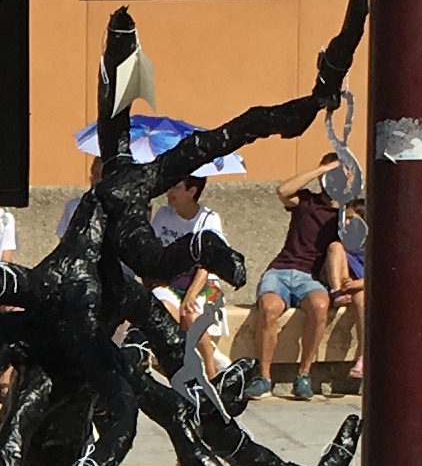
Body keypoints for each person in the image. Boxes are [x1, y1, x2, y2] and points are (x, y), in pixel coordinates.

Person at [245, 163, 359, 397]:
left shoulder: (347, 212)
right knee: (269, 308)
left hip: (309, 276)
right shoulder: (306, 201)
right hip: (280, 270)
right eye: (331, 175)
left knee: (319, 306)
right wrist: (323, 169)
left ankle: (304, 375)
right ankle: (264, 377)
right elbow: (283, 191)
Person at [148, 172, 234, 374]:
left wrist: (191, 294)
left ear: (192, 191)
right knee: (161, 313)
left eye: (176, 187)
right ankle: (183, 365)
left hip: (201, 284)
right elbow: (151, 252)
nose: (169, 192)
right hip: (169, 283)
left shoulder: (208, 220)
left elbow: (208, 263)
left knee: (191, 316)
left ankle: (211, 371)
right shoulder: (163, 215)